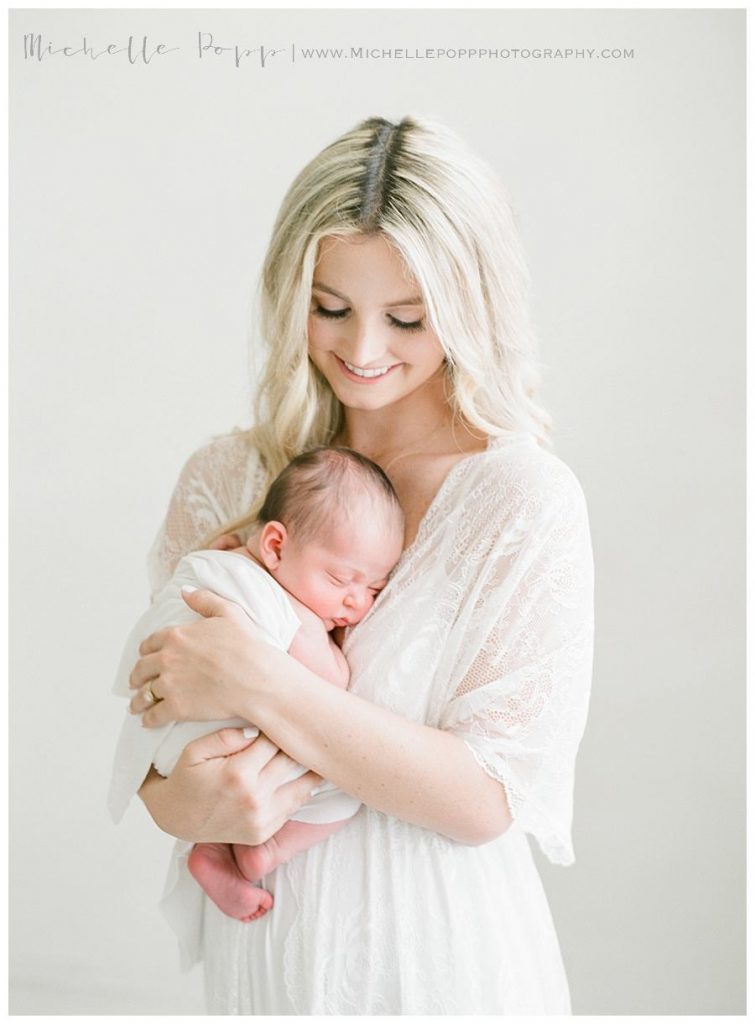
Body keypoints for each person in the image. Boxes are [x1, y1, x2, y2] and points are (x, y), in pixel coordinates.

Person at [125, 115, 594, 1014]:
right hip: (266, 958)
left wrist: (262, 682)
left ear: (470, 308)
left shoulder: (519, 500)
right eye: (330, 307)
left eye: (409, 318)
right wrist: (179, 806)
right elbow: (160, 734)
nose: (364, 350)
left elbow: (487, 799)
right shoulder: (228, 477)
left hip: (441, 961)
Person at [109, 446, 404, 931]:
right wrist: (333, 643)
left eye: (373, 589)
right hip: (207, 734)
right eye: (341, 579)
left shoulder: (219, 560)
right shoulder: (291, 611)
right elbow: (333, 682)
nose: (355, 602)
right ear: (274, 547)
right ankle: (264, 848)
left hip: (164, 739)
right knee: (346, 793)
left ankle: (209, 848)